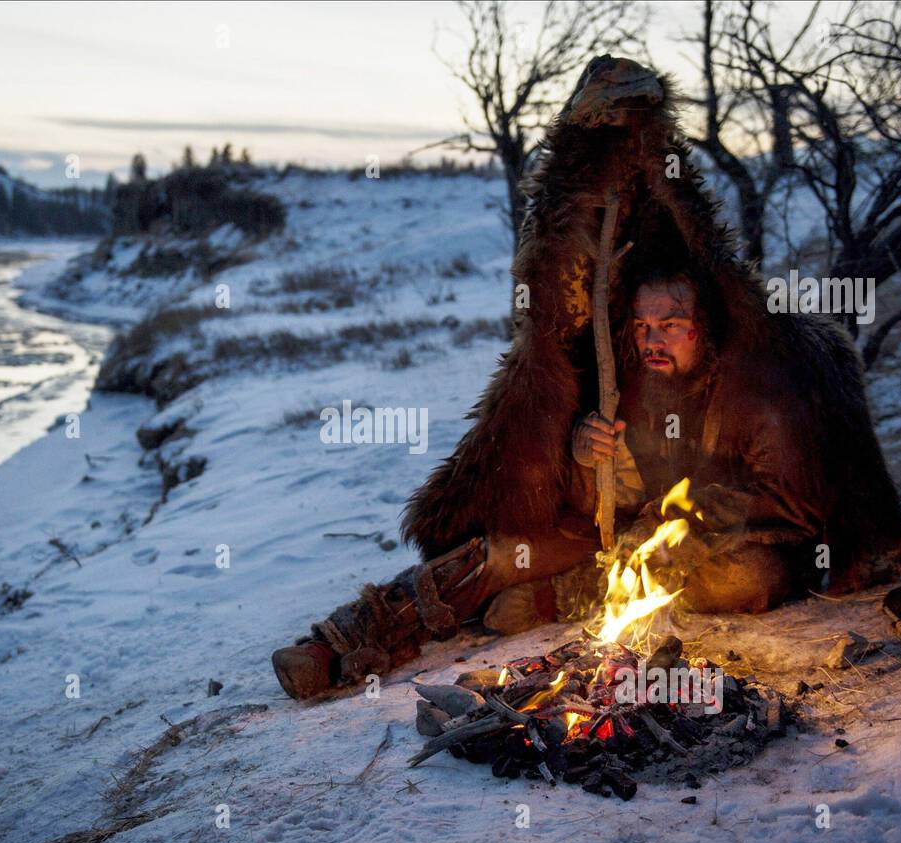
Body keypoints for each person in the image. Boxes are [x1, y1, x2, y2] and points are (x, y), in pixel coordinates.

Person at [273, 266, 819, 700]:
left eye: (672, 324)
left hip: (706, 549)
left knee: (750, 578)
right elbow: (600, 507)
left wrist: (676, 525)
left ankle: (561, 598)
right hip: (611, 542)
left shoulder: (751, 393)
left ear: (706, 327)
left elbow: (783, 504)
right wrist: (587, 457)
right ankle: (347, 638)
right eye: (641, 326)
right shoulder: (627, 385)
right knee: (500, 555)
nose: (653, 339)